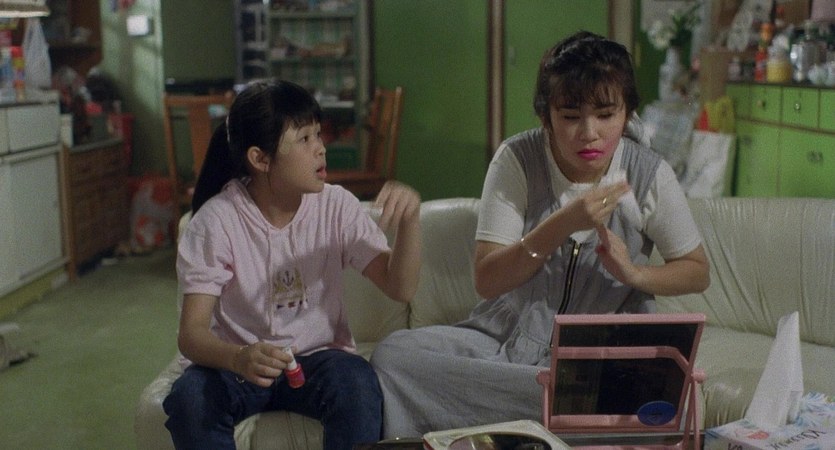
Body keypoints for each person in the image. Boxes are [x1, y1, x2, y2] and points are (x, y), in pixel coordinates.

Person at [370, 31, 709, 438]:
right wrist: (561, 223)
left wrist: (634, 274)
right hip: (506, 339)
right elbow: (488, 280)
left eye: (606, 115)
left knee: (642, 391)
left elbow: (696, 271)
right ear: (545, 117)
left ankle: (551, 414)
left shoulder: (649, 173)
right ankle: (572, 415)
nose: (589, 133)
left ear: (627, 113)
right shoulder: (518, 159)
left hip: (598, 353)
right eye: (570, 116)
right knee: (393, 355)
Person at [162, 79, 422, 450]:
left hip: (317, 361)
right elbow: (191, 334)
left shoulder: (335, 206)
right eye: (304, 139)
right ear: (260, 159)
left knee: (357, 383)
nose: (321, 148)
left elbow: (401, 288)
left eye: (319, 134)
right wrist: (239, 358)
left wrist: (410, 221)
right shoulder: (216, 221)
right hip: (239, 365)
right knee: (190, 399)